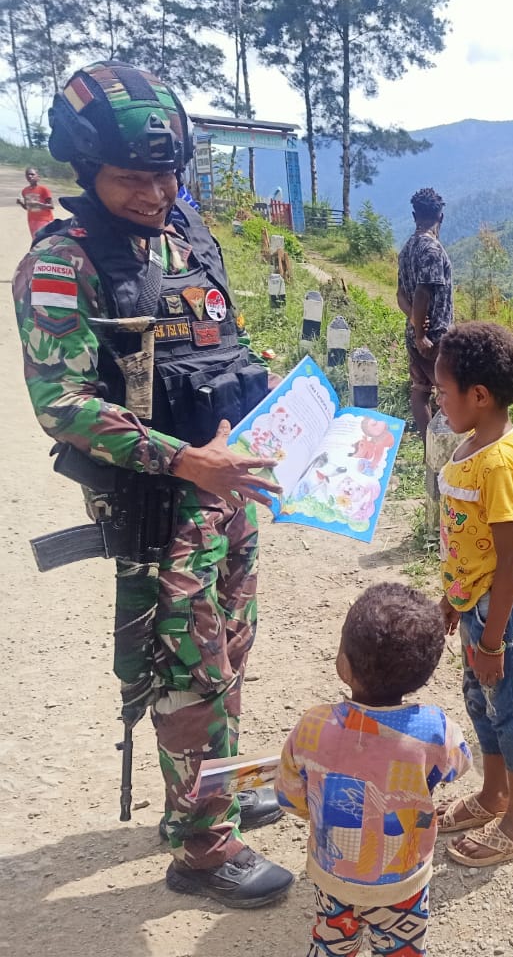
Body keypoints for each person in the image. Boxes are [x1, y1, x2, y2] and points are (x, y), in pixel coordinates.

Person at [13, 61, 293, 906]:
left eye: (166, 173)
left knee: (232, 648)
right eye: (132, 176)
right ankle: (204, 851)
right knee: (189, 666)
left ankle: (219, 786)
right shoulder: (63, 264)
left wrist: (257, 386)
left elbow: (213, 348)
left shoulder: (189, 239)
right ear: (85, 171)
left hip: (227, 494)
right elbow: (60, 404)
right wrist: (181, 459)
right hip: (162, 504)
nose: (153, 190)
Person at [277, 582, 472, 957]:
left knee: (331, 943)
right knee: (401, 950)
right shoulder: (434, 730)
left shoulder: (314, 726)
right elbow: (459, 765)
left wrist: (312, 812)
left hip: (333, 876)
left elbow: (289, 794)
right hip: (404, 882)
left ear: (344, 666)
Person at [432, 321, 513, 867]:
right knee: (480, 699)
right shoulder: (472, 442)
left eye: (442, 391)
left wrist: (494, 640)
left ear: (479, 396)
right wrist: (454, 601)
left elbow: (506, 562)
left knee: (508, 703)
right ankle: (493, 794)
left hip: (501, 605)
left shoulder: (498, 463)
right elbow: (467, 543)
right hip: (476, 601)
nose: (437, 399)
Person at [396, 187, 453, 460]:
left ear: (413, 215)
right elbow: (422, 291)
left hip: (415, 334)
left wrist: (413, 321)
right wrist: (422, 334)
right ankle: (443, 455)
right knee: (449, 395)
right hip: (434, 337)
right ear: (440, 216)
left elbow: (400, 295)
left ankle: (429, 450)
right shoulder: (431, 248)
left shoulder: (407, 249)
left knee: (420, 392)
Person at [18, 166, 54, 236]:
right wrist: (20, 203)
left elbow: (51, 206)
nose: (30, 176)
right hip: (32, 220)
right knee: (35, 241)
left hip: (45, 220)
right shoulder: (24, 191)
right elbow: (27, 207)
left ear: (38, 176)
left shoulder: (44, 189)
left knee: (44, 241)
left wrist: (38, 204)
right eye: (27, 174)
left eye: (32, 174)